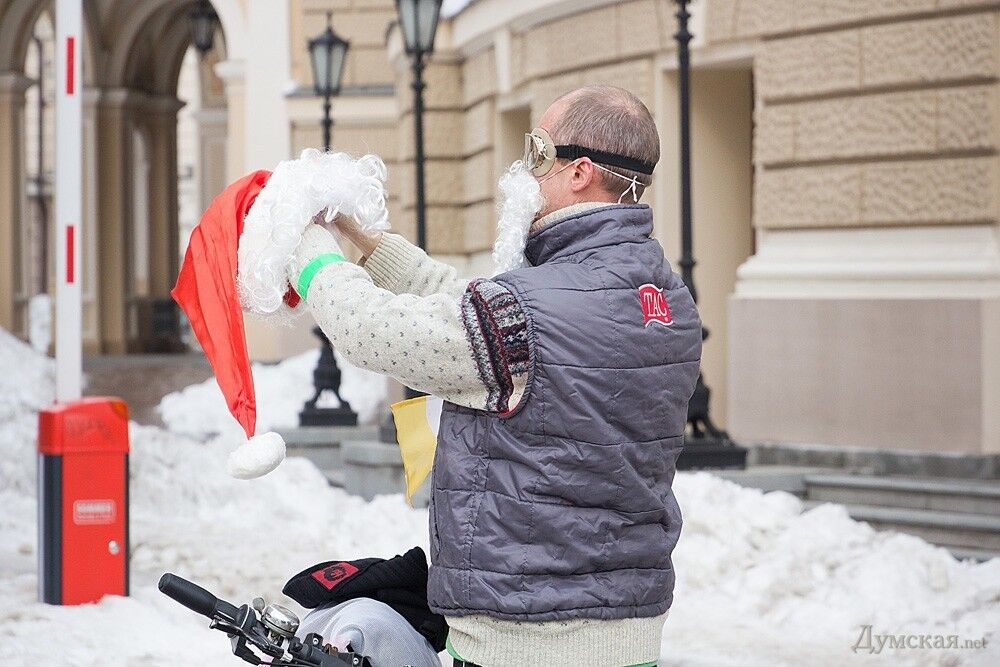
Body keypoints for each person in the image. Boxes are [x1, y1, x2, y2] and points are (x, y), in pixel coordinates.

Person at [285, 85, 702, 667]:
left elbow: (371, 330)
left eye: (536, 152)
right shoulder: (666, 295)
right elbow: (478, 309)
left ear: (579, 171)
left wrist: (306, 250)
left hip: (525, 639)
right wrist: (367, 244)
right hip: (628, 632)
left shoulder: (531, 311)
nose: (522, 172)